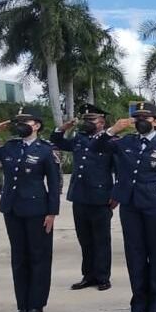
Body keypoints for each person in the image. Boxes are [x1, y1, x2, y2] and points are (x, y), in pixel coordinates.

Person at [0, 110, 61, 312]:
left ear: (36, 125)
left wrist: (52, 212)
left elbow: (54, 184)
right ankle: (23, 305)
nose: (21, 125)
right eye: (18, 122)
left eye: (25, 121)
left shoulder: (46, 150)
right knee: (19, 258)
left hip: (37, 210)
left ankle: (36, 304)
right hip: (12, 209)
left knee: (38, 257)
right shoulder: (10, 147)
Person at [101, 102, 156, 312]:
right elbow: (96, 147)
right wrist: (112, 130)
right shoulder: (126, 141)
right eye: (138, 117)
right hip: (130, 206)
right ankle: (138, 302)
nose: (141, 121)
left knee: (155, 254)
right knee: (134, 255)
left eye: (146, 117)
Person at [51, 104, 116, 292]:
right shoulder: (79, 138)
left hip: (101, 197)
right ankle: (88, 276)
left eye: (91, 120)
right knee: (85, 240)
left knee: (101, 240)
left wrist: (116, 194)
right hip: (80, 196)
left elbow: (119, 169)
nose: (87, 123)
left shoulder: (111, 141)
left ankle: (102, 277)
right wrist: (63, 128)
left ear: (101, 122)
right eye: (85, 119)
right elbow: (57, 142)